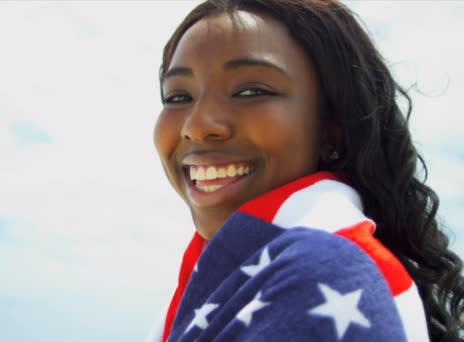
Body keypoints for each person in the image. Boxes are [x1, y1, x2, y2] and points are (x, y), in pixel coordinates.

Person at [149, 0, 464, 341]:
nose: (196, 126)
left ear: (333, 127)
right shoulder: (246, 276)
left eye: (250, 91)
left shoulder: (322, 276)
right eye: (177, 97)